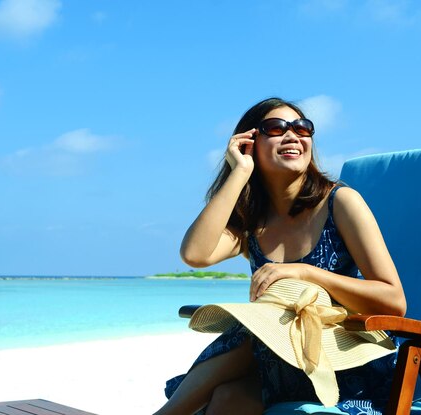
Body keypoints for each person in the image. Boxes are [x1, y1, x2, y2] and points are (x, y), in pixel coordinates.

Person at [152, 97, 406, 415]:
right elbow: (194, 254)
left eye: (302, 128)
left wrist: (306, 273)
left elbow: (394, 300)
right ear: (250, 143)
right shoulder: (255, 223)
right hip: (275, 363)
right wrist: (239, 173)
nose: (293, 135)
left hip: (345, 364)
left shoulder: (340, 202)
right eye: (276, 128)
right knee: (228, 399)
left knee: (256, 327)